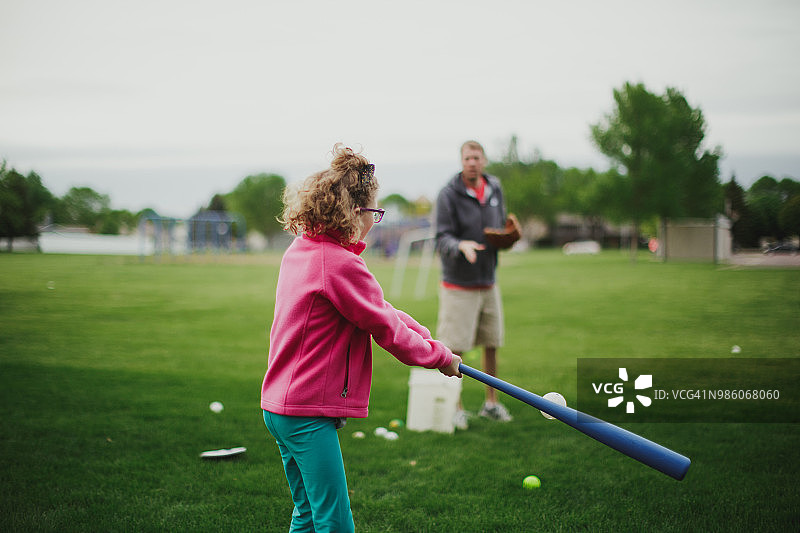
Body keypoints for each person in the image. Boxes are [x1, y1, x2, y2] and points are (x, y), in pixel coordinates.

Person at [261, 144, 463, 532]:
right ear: (355, 213)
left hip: (281, 406)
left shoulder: (305, 250)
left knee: (307, 513)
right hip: (305, 412)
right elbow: (386, 330)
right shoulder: (338, 264)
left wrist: (432, 342)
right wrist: (439, 359)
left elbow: (380, 310)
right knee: (335, 520)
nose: (376, 221)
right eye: (375, 212)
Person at [435, 140, 512, 430]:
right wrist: (461, 245)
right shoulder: (448, 194)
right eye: (467, 158)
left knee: (492, 343)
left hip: (488, 282)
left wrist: (507, 237)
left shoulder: (494, 188)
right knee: (455, 348)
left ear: (484, 160)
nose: (472, 162)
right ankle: (456, 407)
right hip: (458, 284)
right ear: (461, 161)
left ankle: (491, 404)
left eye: (476, 157)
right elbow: (441, 237)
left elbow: (499, 225)